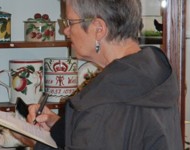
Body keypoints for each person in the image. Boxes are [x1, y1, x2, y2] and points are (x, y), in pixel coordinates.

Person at [14, 0, 183, 149]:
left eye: (71, 22)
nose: (66, 30)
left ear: (99, 29)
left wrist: (36, 142)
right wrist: (61, 127)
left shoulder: (102, 99)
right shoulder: (153, 70)